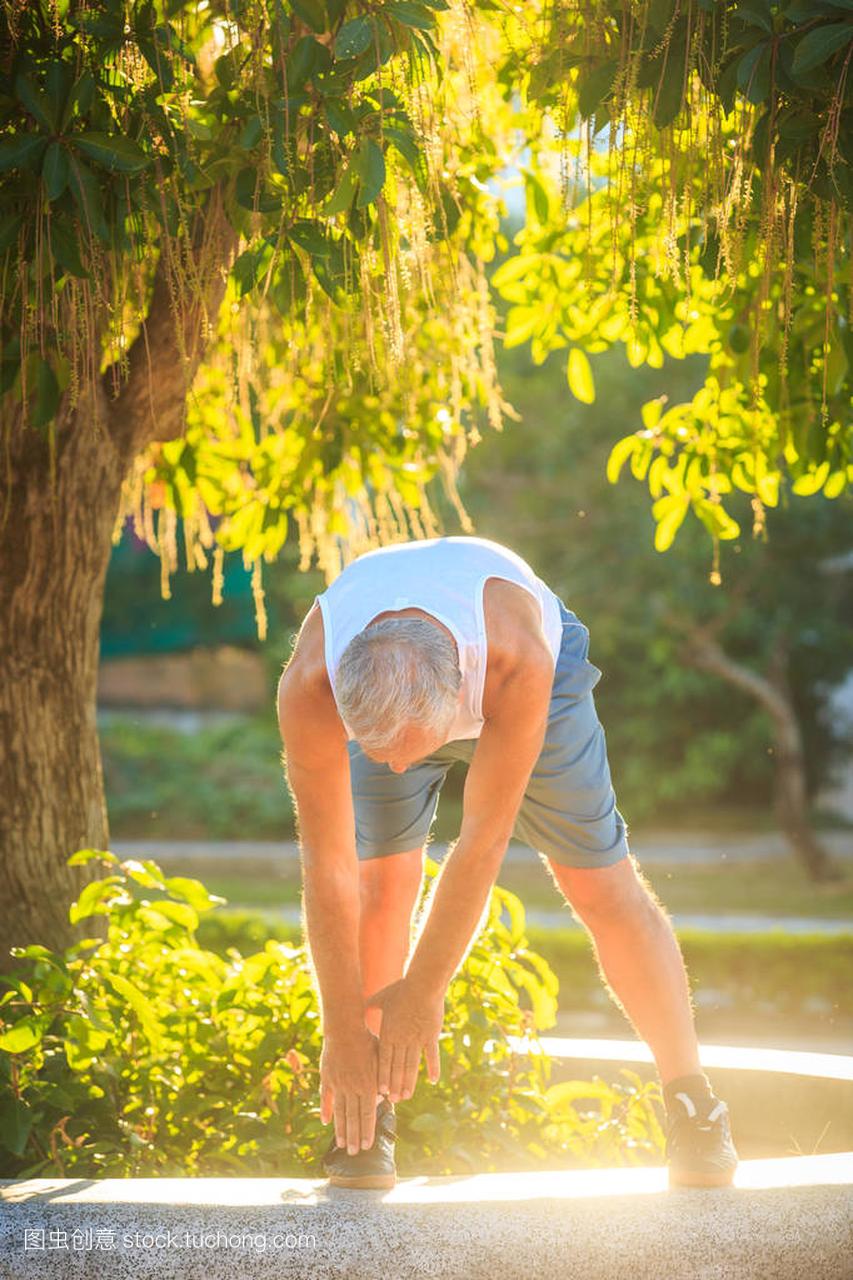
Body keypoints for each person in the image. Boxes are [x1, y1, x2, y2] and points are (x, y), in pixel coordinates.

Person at [276, 535, 738, 1190]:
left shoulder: (516, 658)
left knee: (599, 889)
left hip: (524, 679)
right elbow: (327, 871)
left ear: (459, 695)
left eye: (411, 750)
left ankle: (694, 1105)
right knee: (382, 885)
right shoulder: (310, 685)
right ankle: (365, 1124)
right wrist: (342, 1029)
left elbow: (482, 842)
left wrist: (425, 990)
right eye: (380, 752)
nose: (400, 768)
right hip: (392, 691)